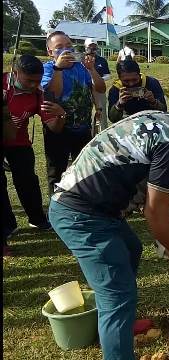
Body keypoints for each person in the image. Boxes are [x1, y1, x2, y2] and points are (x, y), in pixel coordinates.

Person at [48, 93, 169, 360]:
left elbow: (145, 195)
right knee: (117, 293)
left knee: (131, 248)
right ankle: (117, 333)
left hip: (99, 208)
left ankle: (120, 325)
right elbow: (156, 211)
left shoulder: (162, 119)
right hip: (81, 214)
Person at [2, 55, 66, 256]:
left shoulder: (38, 94)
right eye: (29, 80)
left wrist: (61, 114)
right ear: (15, 73)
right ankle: (7, 225)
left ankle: (37, 218)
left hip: (18, 143)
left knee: (28, 180)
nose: (34, 85)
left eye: (37, 81)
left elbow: (54, 128)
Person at [41, 31, 106, 197]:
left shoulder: (81, 67)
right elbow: (54, 93)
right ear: (50, 52)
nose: (66, 50)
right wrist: (58, 68)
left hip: (83, 128)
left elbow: (100, 88)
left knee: (85, 169)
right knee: (56, 171)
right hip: (58, 129)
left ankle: (82, 204)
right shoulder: (48, 69)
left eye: (69, 46)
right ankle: (56, 208)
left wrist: (91, 70)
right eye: (59, 47)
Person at [85, 38, 111, 132]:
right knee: (87, 113)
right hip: (85, 90)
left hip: (99, 89)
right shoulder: (81, 60)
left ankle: (103, 132)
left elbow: (108, 75)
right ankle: (90, 133)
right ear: (86, 47)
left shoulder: (102, 60)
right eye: (90, 47)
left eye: (94, 47)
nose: (92, 49)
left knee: (102, 113)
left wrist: (97, 80)